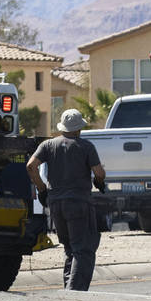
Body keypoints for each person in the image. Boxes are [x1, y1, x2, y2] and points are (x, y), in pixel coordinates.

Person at [26, 109, 107, 291]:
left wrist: (42, 189)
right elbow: (99, 173)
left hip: (56, 205)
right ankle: (74, 295)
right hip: (79, 204)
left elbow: (31, 166)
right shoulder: (86, 146)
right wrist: (99, 182)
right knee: (83, 249)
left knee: (69, 249)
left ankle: (67, 290)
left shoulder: (48, 145)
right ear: (79, 128)